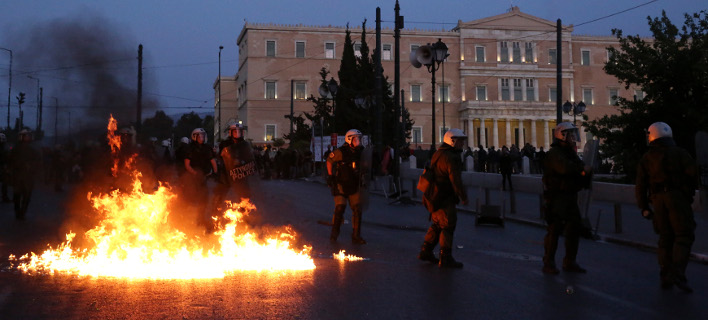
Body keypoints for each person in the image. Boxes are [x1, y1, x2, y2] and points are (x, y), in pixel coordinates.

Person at [635, 122, 697, 293]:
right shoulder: (680, 153)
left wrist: (644, 207)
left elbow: (640, 184)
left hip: (657, 200)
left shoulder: (647, 158)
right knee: (683, 235)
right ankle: (677, 273)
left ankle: (665, 274)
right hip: (677, 199)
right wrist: (688, 194)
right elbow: (693, 174)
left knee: (665, 237)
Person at [541, 122, 591, 275]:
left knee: (573, 228)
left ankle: (570, 260)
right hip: (557, 197)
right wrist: (581, 171)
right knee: (555, 230)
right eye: (570, 135)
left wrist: (582, 172)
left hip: (570, 196)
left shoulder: (570, 152)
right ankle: (548, 262)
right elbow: (565, 169)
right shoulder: (555, 153)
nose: (573, 138)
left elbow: (580, 167)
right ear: (562, 135)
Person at [417, 128, 469, 268]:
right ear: (452, 141)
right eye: (460, 141)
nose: (462, 144)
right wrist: (463, 196)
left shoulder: (438, 153)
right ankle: (445, 257)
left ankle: (426, 251)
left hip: (434, 195)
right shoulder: (451, 157)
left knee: (437, 224)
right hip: (444, 195)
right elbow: (455, 179)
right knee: (448, 225)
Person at [327, 129, 366, 244]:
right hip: (341, 184)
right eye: (356, 138)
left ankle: (356, 236)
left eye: (359, 138)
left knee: (357, 209)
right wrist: (330, 176)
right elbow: (329, 161)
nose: (358, 141)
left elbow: (367, 164)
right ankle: (334, 234)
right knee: (340, 208)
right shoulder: (341, 151)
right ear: (349, 139)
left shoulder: (361, 152)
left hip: (355, 183)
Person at [212, 123, 257, 223]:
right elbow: (221, 156)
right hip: (227, 172)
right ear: (230, 132)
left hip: (240, 172)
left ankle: (244, 217)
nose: (237, 133)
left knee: (245, 195)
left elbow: (249, 157)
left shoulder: (245, 144)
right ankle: (215, 217)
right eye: (235, 131)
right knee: (220, 195)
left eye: (239, 131)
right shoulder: (224, 144)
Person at [184, 128, 218, 227]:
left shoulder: (207, 148)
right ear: (195, 137)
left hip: (204, 177)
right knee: (194, 197)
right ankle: (192, 219)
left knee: (204, 198)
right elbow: (187, 164)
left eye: (203, 135)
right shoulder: (190, 148)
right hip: (193, 178)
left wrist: (215, 172)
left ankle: (201, 219)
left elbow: (212, 161)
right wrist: (194, 173)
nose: (202, 138)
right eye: (200, 136)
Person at [8, 129, 41, 220]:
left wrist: (31, 167)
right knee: (17, 196)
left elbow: (38, 161)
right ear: (21, 137)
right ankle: (18, 213)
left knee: (27, 196)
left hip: (28, 177)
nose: (27, 137)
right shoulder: (16, 149)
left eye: (28, 136)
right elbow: (10, 161)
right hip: (18, 176)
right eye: (25, 136)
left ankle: (22, 213)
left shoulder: (32, 149)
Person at [0, 133, 10, 202]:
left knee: (5, 183)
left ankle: (5, 197)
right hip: (2, 167)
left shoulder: (4, 148)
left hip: (3, 167)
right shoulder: (3, 149)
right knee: (5, 183)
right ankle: (5, 197)